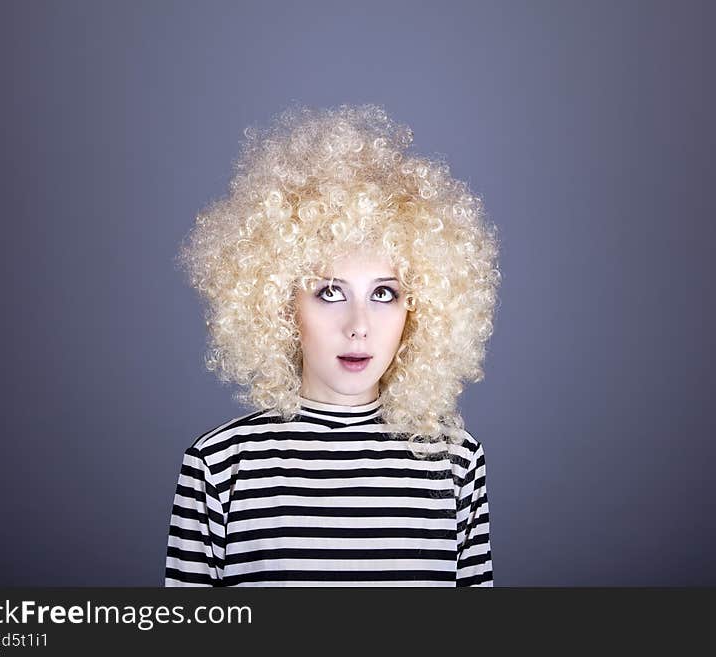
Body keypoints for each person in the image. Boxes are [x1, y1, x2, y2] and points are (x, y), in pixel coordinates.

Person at [165, 104, 500, 586]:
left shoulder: (454, 461)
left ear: (418, 307)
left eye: (384, 293)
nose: (359, 325)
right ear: (281, 303)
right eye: (329, 292)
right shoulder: (221, 465)